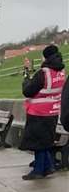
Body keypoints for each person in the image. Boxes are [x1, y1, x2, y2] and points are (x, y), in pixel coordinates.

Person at [20, 44, 66, 181]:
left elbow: (28, 91)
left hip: (38, 113)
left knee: (38, 143)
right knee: (46, 141)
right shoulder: (61, 71)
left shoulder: (43, 73)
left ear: (46, 57)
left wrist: (26, 78)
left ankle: (38, 170)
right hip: (53, 112)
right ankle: (48, 166)